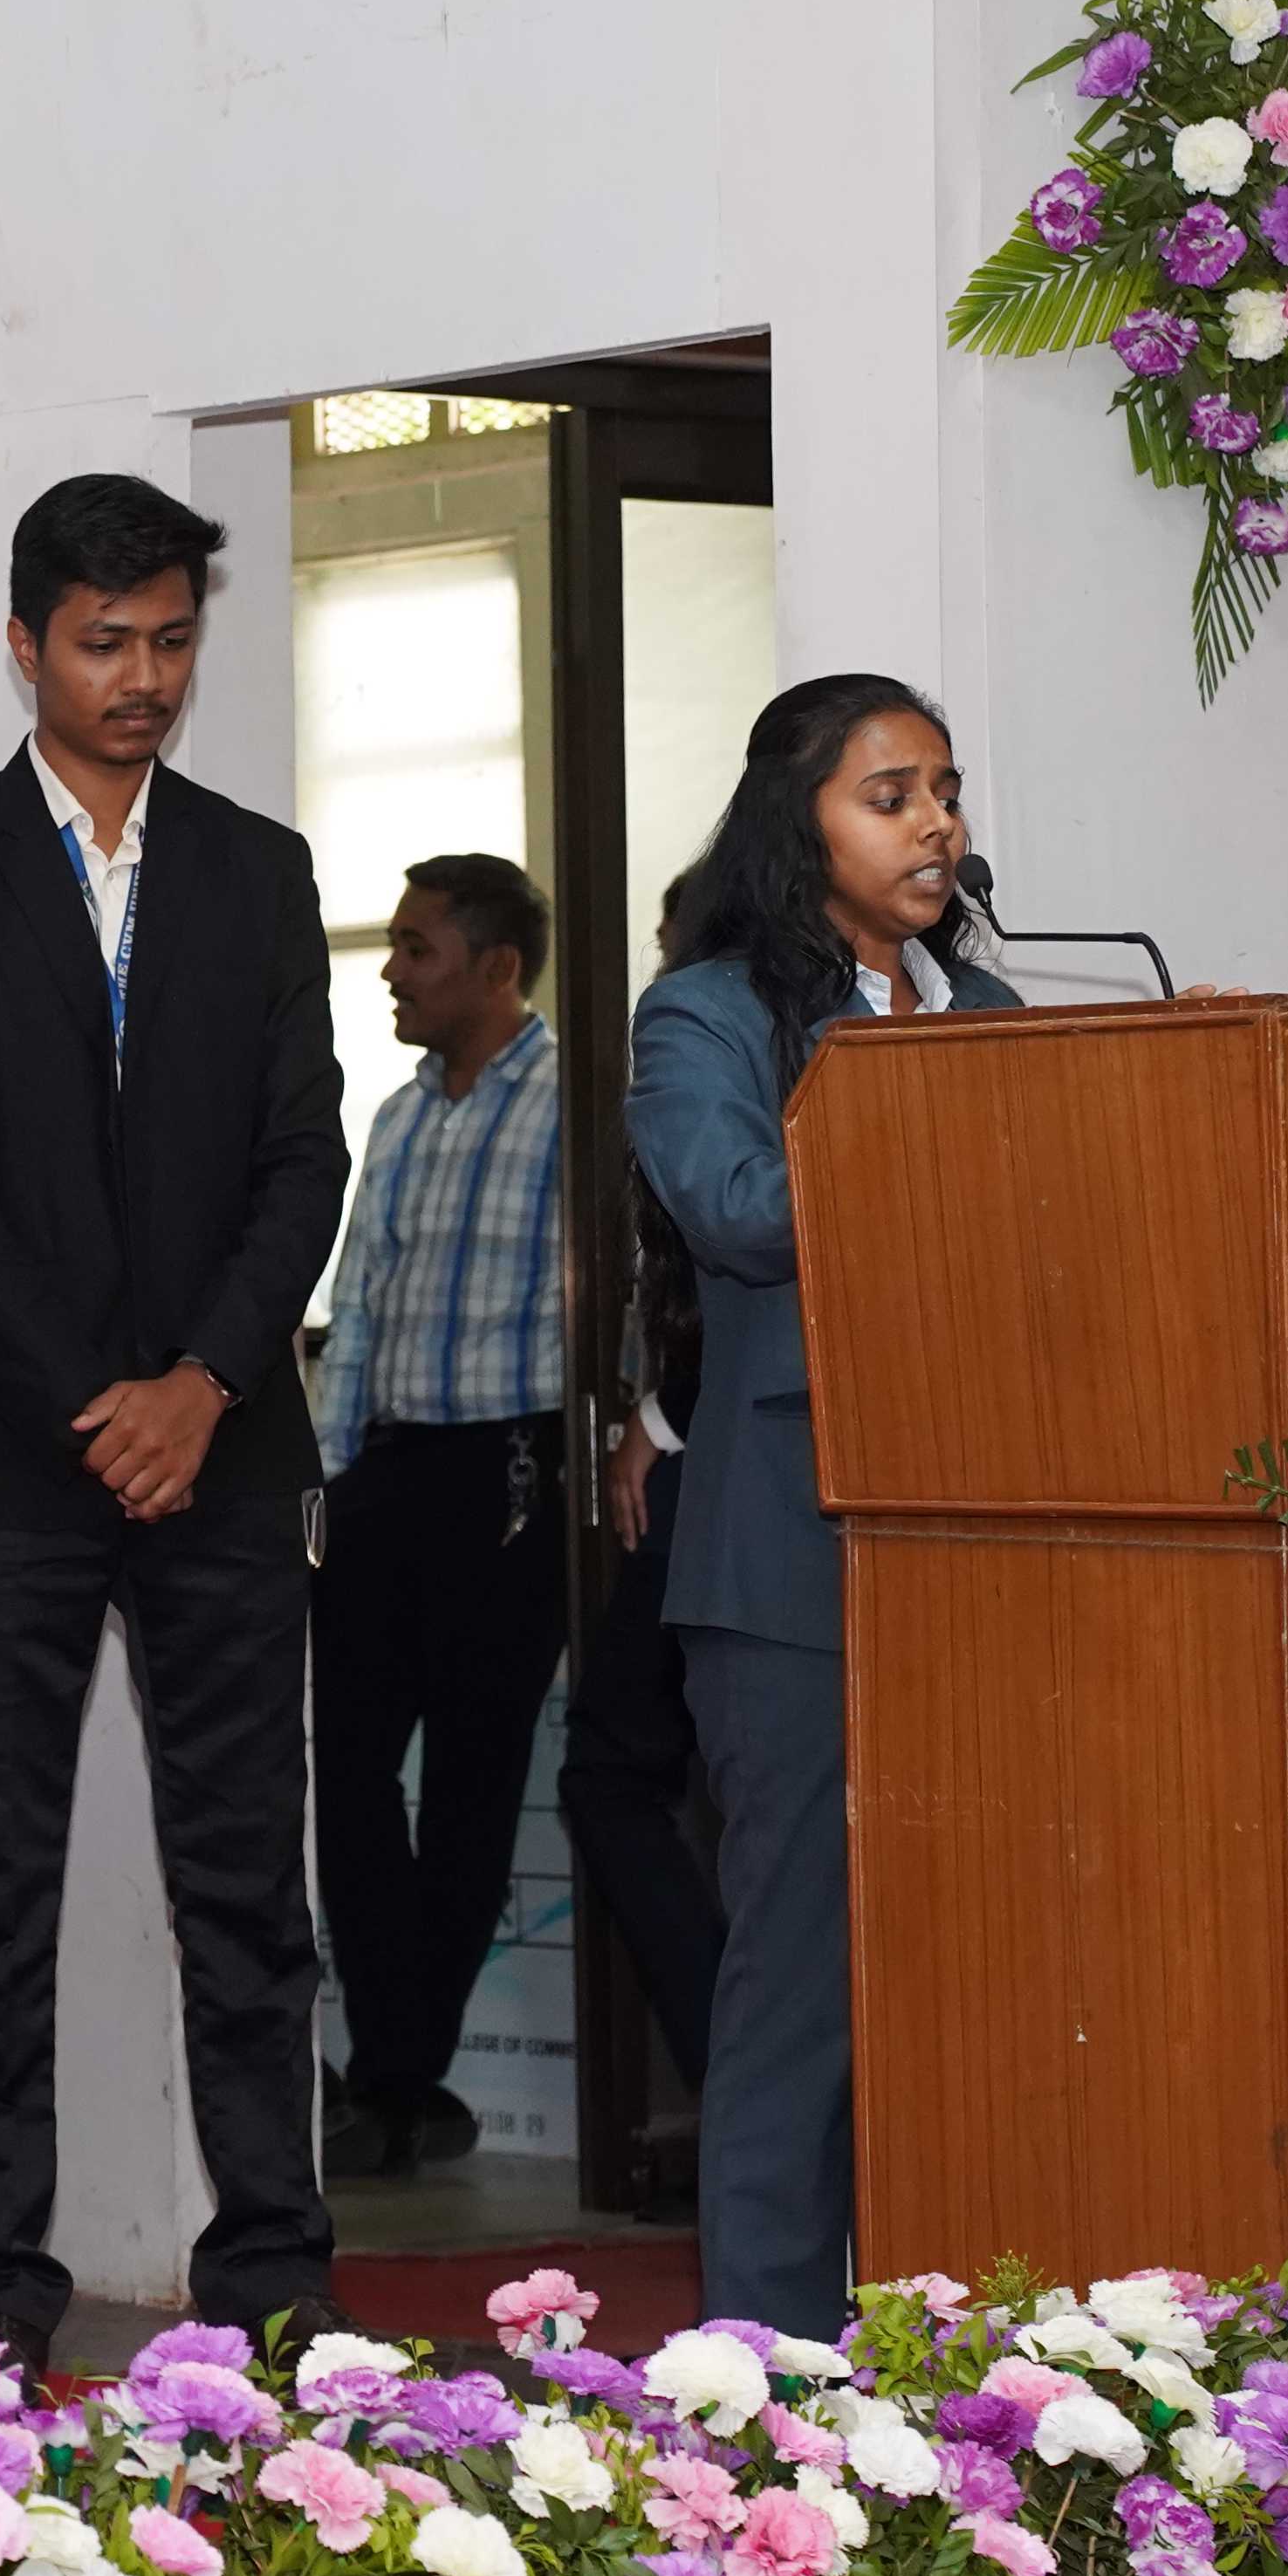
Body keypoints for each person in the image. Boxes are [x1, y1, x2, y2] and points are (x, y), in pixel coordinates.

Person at [0, 474, 348, 2373]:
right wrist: (101, 1399)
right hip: (3, 1458)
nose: (143, 677)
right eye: (103, 642)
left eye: (170, 641)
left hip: (225, 1446)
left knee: (247, 1880)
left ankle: (274, 2267)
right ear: (24, 643)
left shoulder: (259, 867)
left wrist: (203, 1381)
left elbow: (306, 1158)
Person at [627, 672, 1016, 2338]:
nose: (935, 823)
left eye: (945, 790)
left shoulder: (992, 1011)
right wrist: (931, 1115)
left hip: (991, 1547)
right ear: (801, 824)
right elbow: (731, 1207)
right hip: (793, 1555)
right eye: (891, 794)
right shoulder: (707, 1016)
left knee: (975, 1982)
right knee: (800, 1984)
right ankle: (772, 2372)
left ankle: (954, 2341)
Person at [305, 851, 568, 2183]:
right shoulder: (402, 1113)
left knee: (471, 1788)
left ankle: (397, 2080)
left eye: (419, 950)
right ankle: (400, 2067)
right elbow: (356, 1310)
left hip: (510, 1480)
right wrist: (328, 1482)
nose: (395, 974)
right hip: (386, 1476)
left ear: (497, 967)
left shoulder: (579, 1101)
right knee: (343, 1772)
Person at [556, 880, 731, 2103]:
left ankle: (736, 2072)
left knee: (618, 1776)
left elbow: (743, 1263)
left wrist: (657, 1420)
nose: (658, 975)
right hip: (718, 1470)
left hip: (708, 1473)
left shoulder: (715, 1043)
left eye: (672, 946)